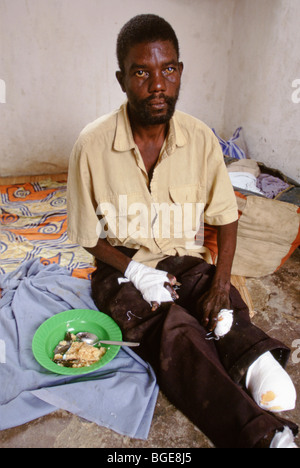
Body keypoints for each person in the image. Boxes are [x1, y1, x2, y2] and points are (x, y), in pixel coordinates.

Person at [67, 14, 298, 448]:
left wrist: (221, 283)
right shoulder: (91, 145)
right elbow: (85, 234)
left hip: (180, 258)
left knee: (213, 295)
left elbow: (225, 216)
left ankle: (253, 358)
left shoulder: (200, 139)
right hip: (119, 269)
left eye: (168, 70)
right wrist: (135, 271)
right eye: (141, 72)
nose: (158, 85)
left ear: (179, 73)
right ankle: (257, 432)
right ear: (121, 79)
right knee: (168, 326)